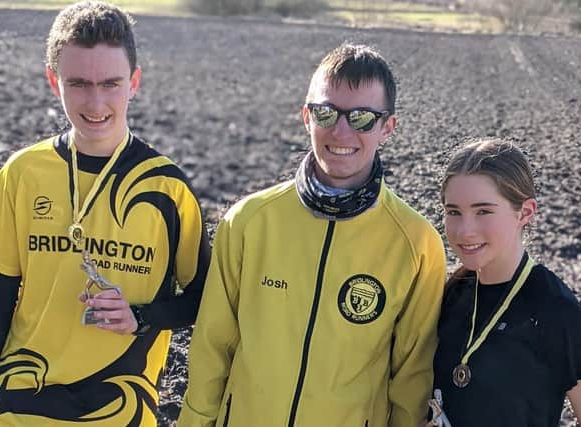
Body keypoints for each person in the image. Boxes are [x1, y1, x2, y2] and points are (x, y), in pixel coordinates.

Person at [177, 43, 446, 427]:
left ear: (388, 127)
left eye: (362, 118)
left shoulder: (416, 243)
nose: (340, 131)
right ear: (306, 116)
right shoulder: (249, 222)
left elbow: (411, 375)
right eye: (326, 112)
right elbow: (212, 347)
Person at [0, 1, 210, 426]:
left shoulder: (167, 189)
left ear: (134, 82)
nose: (95, 102)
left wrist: (139, 318)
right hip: (21, 405)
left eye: (111, 83)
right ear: (52, 81)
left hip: (121, 413)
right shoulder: (22, 173)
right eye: (78, 83)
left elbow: (201, 300)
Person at [430, 138, 581, 426]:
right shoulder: (455, 291)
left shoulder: (554, 309)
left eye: (483, 211)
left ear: (525, 212)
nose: (465, 231)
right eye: (454, 212)